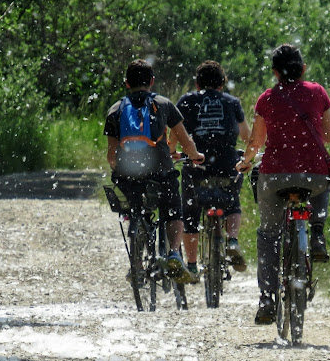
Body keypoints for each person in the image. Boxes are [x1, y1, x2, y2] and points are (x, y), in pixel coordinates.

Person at [236, 44, 330, 325]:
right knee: (322, 179)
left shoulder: (267, 98)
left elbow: (255, 142)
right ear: (303, 69)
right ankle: (316, 233)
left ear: (275, 73)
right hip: (312, 176)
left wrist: (246, 161)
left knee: (268, 234)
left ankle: (267, 298)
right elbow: (327, 135)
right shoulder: (317, 92)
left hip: (275, 175)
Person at [104, 59, 205, 284]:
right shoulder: (163, 103)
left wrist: (122, 170)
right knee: (173, 211)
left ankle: (137, 264)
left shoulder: (115, 110)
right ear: (152, 81)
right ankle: (174, 253)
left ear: (126, 83)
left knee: (135, 210)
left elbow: (111, 155)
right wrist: (195, 156)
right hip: (160, 173)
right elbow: (185, 139)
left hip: (129, 176)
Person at [176, 60, 251, 282]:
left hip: (197, 164)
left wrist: (174, 152)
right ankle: (233, 241)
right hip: (226, 163)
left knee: (190, 212)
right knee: (232, 198)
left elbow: (175, 133)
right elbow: (246, 136)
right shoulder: (232, 102)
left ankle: (191, 266)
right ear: (222, 83)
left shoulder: (187, 101)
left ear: (197, 83)